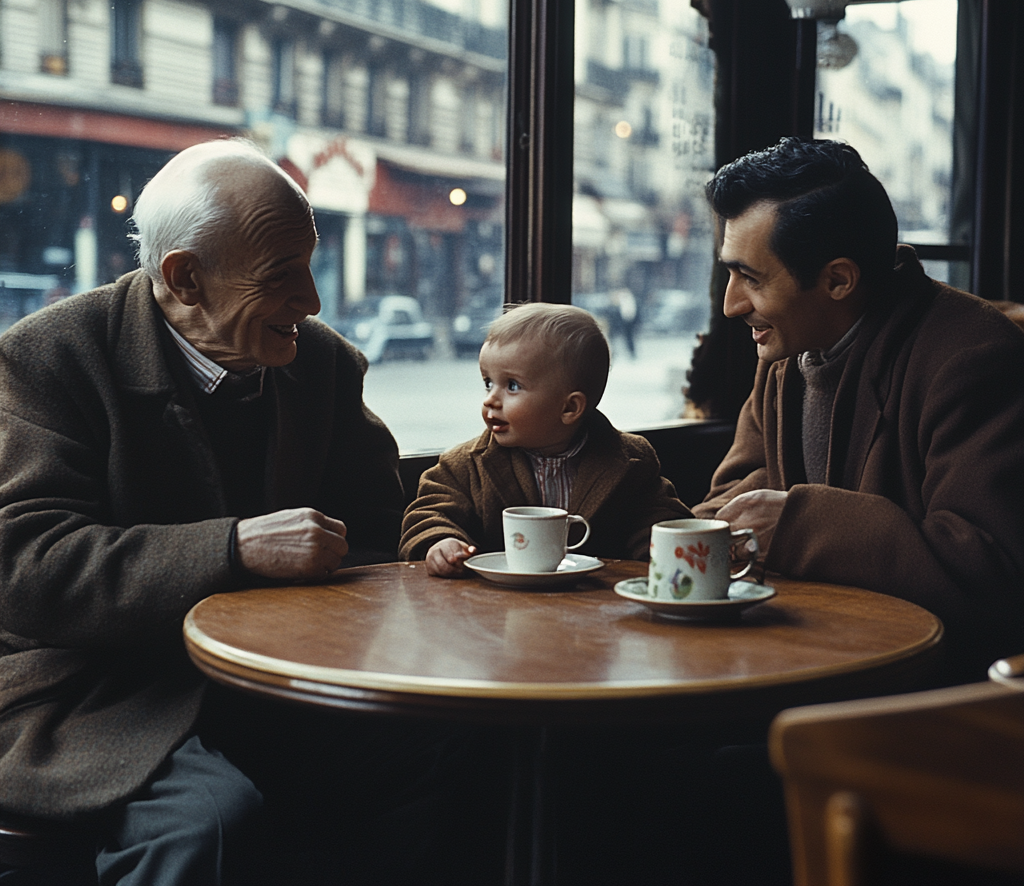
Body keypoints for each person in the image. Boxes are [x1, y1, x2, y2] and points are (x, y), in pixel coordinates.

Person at [0, 139, 408, 884]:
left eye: (310, 266)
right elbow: (24, 568)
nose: (312, 301)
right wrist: (235, 548)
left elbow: (381, 527)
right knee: (206, 817)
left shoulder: (320, 363)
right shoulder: (46, 358)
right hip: (87, 688)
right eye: (284, 276)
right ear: (186, 277)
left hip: (276, 672)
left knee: (443, 756)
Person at [693, 137, 1024, 679]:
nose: (731, 304)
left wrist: (797, 525)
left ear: (839, 280)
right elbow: (733, 500)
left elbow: (991, 574)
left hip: (920, 695)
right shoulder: (785, 347)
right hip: (800, 658)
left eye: (750, 277)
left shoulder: (972, 356)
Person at [400, 302, 690, 572]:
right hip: (495, 604)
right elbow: (429, 513)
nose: (491, 400)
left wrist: (660, 552)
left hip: (594, 603)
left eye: (512, 386)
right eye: (488, 383)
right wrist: (440, 542)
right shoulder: (463, 466)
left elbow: (658, 519)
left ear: (569, 407)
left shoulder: (631, 461)